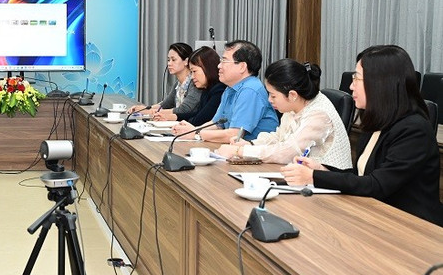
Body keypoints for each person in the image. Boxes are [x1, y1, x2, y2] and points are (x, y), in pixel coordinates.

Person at [282, 45, 441, 226]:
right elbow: (362, 175)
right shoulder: (375, 120)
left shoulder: (413, 129)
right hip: (375, 215)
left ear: (380, 83)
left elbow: (377, 185)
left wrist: (313, 177)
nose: (350, 86)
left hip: (412, 226)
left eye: (356, 78)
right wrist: (322, 170)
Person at [216, 59, 352, 168]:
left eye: (273, 96)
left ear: (292, 95)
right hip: (302, 177)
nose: (269, 100)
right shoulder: (295, 104)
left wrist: (240, 152)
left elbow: (289, 152)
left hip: (329, 187)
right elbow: (280, 137)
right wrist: (250, 145)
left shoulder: (319, 114)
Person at [177, 40, 278, 143]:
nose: (219, 66)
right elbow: (216, 124)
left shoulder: (250, 89)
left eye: (224, 61)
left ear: (242, 67)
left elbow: (235, 134)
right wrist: (192, 131)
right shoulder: (230, 89)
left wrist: (196, 133)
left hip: (256, 154)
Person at [130, 43, 202, 121]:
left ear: (186, 61)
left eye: (173, 60)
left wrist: (151, 112)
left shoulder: (195, 83)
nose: (169, 63)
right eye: (168, 60)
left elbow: (184, 110)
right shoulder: (178, 84)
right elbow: (165, 105)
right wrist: (144, 109)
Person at [167, 46, 226, 128]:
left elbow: (201, 119)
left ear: (207, 68)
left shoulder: (219, 90)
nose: (192, 77)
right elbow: (198, 113)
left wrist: (181, 122)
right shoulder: (206, 89)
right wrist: (176, 117)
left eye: (194, 71)